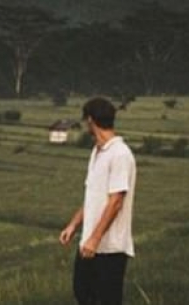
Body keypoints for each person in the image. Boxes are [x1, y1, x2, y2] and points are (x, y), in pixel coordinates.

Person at [59, 96, 137, 305]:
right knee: (82, 293)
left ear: (90, 120)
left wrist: (95, 238)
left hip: (110, 248)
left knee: (107, 300)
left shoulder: (120, 154)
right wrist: (73, 225)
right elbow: (93, 197)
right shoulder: (97, 152)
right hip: (88, 244)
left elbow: (116, 202)